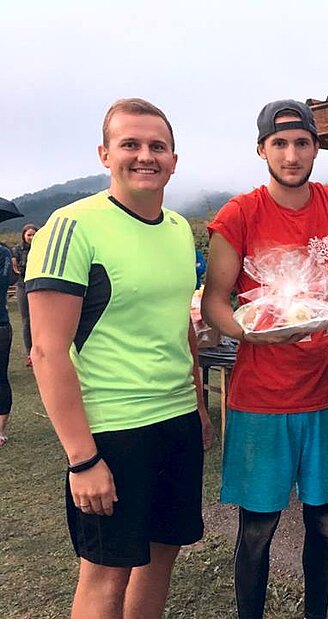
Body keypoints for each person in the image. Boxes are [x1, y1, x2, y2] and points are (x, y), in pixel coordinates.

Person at [25, 98, 212, 618]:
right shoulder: (72, 226)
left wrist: (198, 405)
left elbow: (181, 326)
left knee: (162, 555)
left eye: (158, 146)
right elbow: (47, 349)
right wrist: (82, 459)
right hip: (112, 429)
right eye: (131, 144)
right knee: (107, 573)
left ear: (174, 159)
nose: (145, 156)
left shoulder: (178, 229)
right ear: (105, 154)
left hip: (175, 419)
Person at [202, 100, 328, 619]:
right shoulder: (239, 214)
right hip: (262, 400)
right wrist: (254, 332)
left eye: (301, 143)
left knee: (327, 522)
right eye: (280, 144)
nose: (291, 155)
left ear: (316, 147)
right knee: (259, 527)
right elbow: (216, 302)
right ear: (261, 149)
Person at [12, 223, 37, 366]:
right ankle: (30, 354)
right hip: (23, 284)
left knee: (39, 320)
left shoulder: (41, 248)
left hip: (38, 285)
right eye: (29, 235)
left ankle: (41, 351)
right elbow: (15, 269)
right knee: (26, 320)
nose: (31, 237)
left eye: (34, 234)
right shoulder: (16, 250)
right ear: (24, 236)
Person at [0, 243, 14, 446]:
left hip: (0, 324)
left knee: (0, 376)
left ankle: (0, 429)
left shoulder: (3, 253)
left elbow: (5, 282)